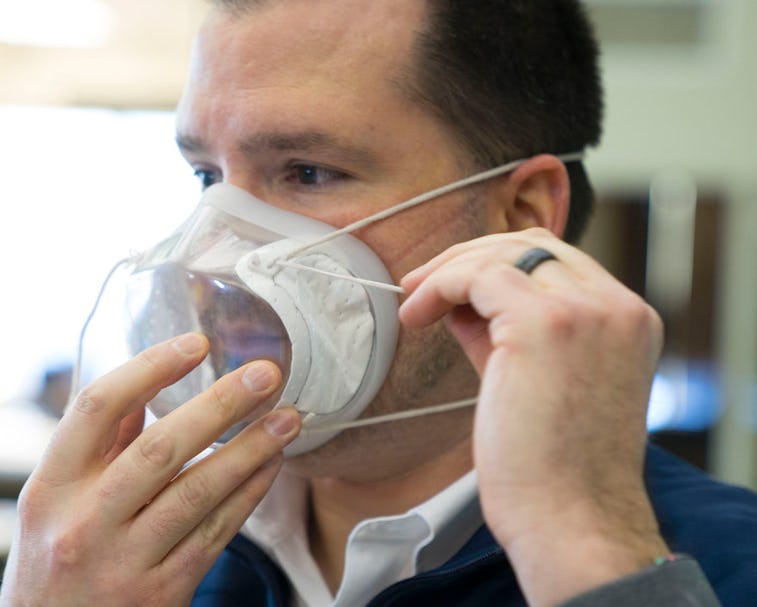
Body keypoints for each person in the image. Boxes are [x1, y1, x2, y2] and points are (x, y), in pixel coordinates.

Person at [1, 1, 756, 605]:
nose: (211, 251)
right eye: (206, 176)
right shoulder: (105, 567)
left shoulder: (725, 568)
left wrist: (592, 556)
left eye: (307, 171)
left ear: (520, 215)